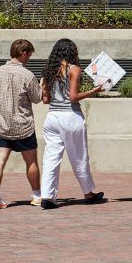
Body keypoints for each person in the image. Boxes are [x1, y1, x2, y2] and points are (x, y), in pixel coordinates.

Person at [40, 38, 105, 209]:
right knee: (79, 157)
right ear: (71, 52)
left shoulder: (49, 70)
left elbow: (45, 100)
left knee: (51, 159)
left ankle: (47, 196)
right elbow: (73, 97)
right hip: (70, 116)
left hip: (52, 117)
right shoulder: (74, 69)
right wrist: (94, 90)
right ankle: (88, 193)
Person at [0, 38, 43, 210]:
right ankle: (37, 195)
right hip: (23, 126)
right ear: (24, 54)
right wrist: (41, 85)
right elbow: (37, 98)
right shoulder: (27, 75)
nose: (29, 59)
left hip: (2, 126)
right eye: (29, 55)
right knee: (31, 161)